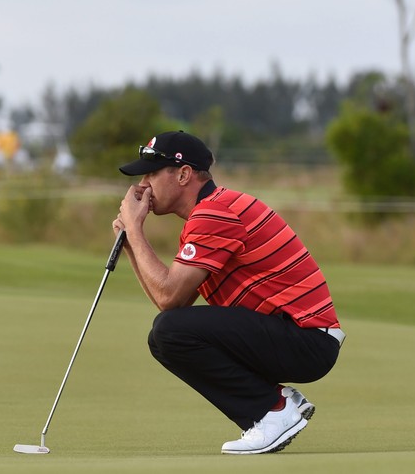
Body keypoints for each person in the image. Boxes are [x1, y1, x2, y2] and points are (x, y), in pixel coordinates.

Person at [112, 130, 344, 454]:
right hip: (299, 338)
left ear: (183, 175)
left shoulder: (214, 213)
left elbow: (169, 299)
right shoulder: (207, 213)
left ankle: (271, 412)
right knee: (166, 333)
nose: (143, 185)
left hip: (305, 339)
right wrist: (132, 243)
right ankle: (278, 401)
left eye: (152, 173)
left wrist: (135, 231)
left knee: (168, 333)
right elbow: (170, 304)